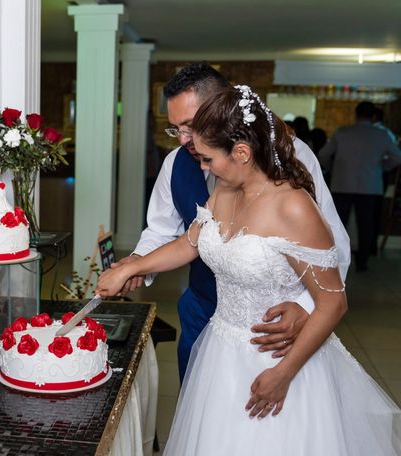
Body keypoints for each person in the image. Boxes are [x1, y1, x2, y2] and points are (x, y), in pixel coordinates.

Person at [97, 85, 401, 456]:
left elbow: (333, 303)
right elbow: (190, 242)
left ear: (241, 152)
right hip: (222, 354)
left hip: (278, 359)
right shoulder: (225, 190)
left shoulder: (293, 206)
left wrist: (283, 374)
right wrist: (130, 268)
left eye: (208, 159)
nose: (203, 168)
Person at [112, 62, 350, 382]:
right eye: (175, 129)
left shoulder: (291, 157)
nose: (184, 139)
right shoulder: (177, 163)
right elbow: (164, 230)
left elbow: (331, 242)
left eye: (190, 125)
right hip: (201, 309)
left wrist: (307, 307)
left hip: (271, 323)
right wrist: (138, 262)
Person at [318, 101, 401, 271]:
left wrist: (334, 169)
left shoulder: (342, 132)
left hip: (342, 184)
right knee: (366, 225)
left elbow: (323, 155)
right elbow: (397, 157)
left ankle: (335, 260)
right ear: (373, 116)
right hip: (369, 185)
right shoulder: (381, 135)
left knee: (337, 224)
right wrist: (382, 169)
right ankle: (362, 262)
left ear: (356, 114)